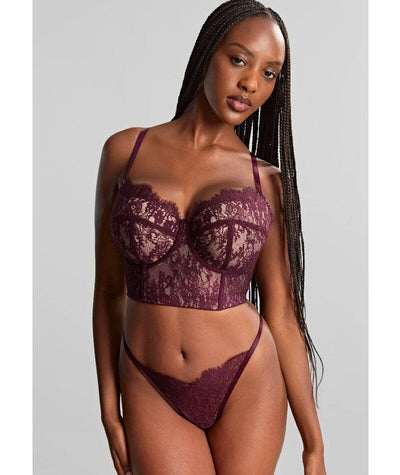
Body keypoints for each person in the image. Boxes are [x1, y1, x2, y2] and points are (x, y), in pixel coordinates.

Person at [93, 1, 326, 473]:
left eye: (269, 73)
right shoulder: (125, 151)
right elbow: (109, 291)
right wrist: (109, 410)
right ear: (207, 53)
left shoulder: (266, 181)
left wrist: (313, 444)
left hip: (247, 379)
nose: (251, 84)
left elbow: (282, 314)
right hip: (149, 381)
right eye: (239, 60)